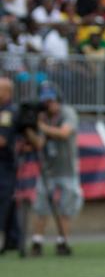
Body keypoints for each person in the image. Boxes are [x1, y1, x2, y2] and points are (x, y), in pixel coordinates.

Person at [30, 83, 83, 256]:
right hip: (48, 169)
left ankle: (62, 242)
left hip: (67, 169)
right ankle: (37, 242)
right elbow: (39, 143)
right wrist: (30, 129)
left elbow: (64, 133)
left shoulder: (67, 113)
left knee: (66, 208)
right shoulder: (42, 116)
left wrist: (40, 126)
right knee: (41, 207)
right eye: (46, 101)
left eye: (51, 100)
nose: (49, 104)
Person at [0, 78, 19, 254]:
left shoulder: (8, 112)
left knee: (5, 200)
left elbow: (2, 140)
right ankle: (13, 238)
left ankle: (9, 237)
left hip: (5, 163)